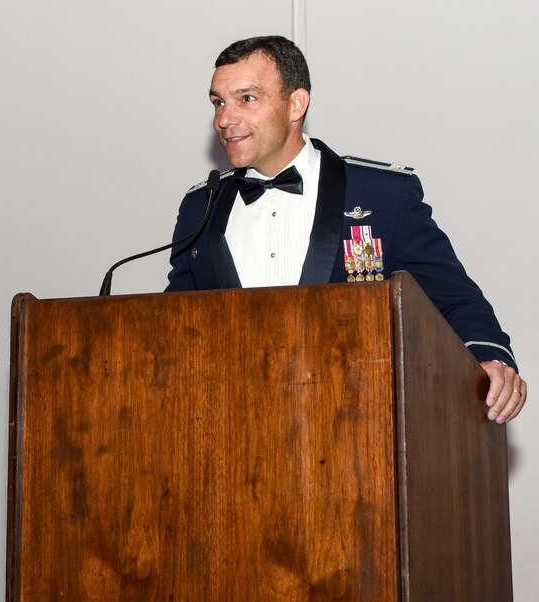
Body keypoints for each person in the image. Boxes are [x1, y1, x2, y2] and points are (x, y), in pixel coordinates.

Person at [165, 35, 526, 423]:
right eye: (218, 102)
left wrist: (493, 360)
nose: (224, 119)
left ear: (296, 104)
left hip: (359, 435)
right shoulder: (199, 209)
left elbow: (455, 300)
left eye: (246, 99)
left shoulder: (384, 196)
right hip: (234, 433)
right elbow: (174, 328)